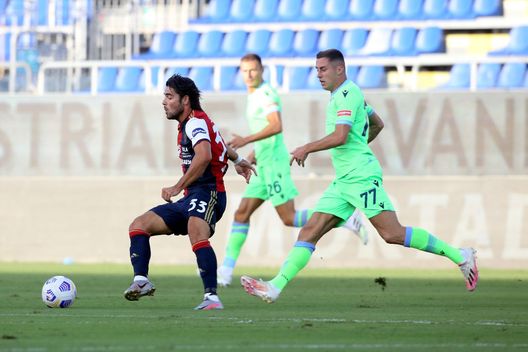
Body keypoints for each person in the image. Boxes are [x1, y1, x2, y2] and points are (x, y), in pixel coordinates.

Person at [240, 49, 479, 303]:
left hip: (361, 177)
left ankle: (461, 256)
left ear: (339, 69)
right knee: (309, 231)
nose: (318, 74)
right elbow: (377, 123)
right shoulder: (348, 94)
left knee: (392, 234)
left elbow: (341, 135)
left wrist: (307, 147)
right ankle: (275, 287)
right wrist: (361, 145)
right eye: (316, 69)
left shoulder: (346, 94)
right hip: (344, 179)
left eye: (323, 69)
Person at [216, 53, 369, 287]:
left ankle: (344, 216)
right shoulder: (253, 95)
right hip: (263, 165)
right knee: (241, 213)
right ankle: (225, 271)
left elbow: (276, 125)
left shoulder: (266, 94)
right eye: (245, 71)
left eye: (253, 70)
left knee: (289, 218)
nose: (249, 75)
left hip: (275, 165)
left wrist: (246, 140)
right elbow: (265, 134)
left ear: (261, 70)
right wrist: (252, 156)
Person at [123, 74, 255, 310]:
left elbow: (204, 156)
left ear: (185, 100)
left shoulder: (194, 122)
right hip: (191, 197)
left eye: (169, 96)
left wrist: (177, 186)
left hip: (210, 193)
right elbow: (219, 143)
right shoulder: (196, 122)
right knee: (139, 225)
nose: (164, 101)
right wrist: (240, 159)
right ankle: (141, 280)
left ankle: (211, 297)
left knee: (196, 230)